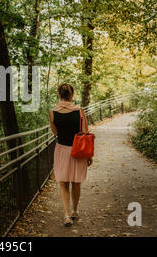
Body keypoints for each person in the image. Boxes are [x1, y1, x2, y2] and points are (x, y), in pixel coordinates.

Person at [49, 83, 93, 227]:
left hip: (62, 150)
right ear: (72, 95)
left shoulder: (53, 112)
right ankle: (74, 210)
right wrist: (89, 156)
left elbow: (55, 133)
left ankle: (66, 215)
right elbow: (85, 132)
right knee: (76, 182)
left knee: (63, 183)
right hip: (78, 151)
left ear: (59, 95)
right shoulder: (79, 111)